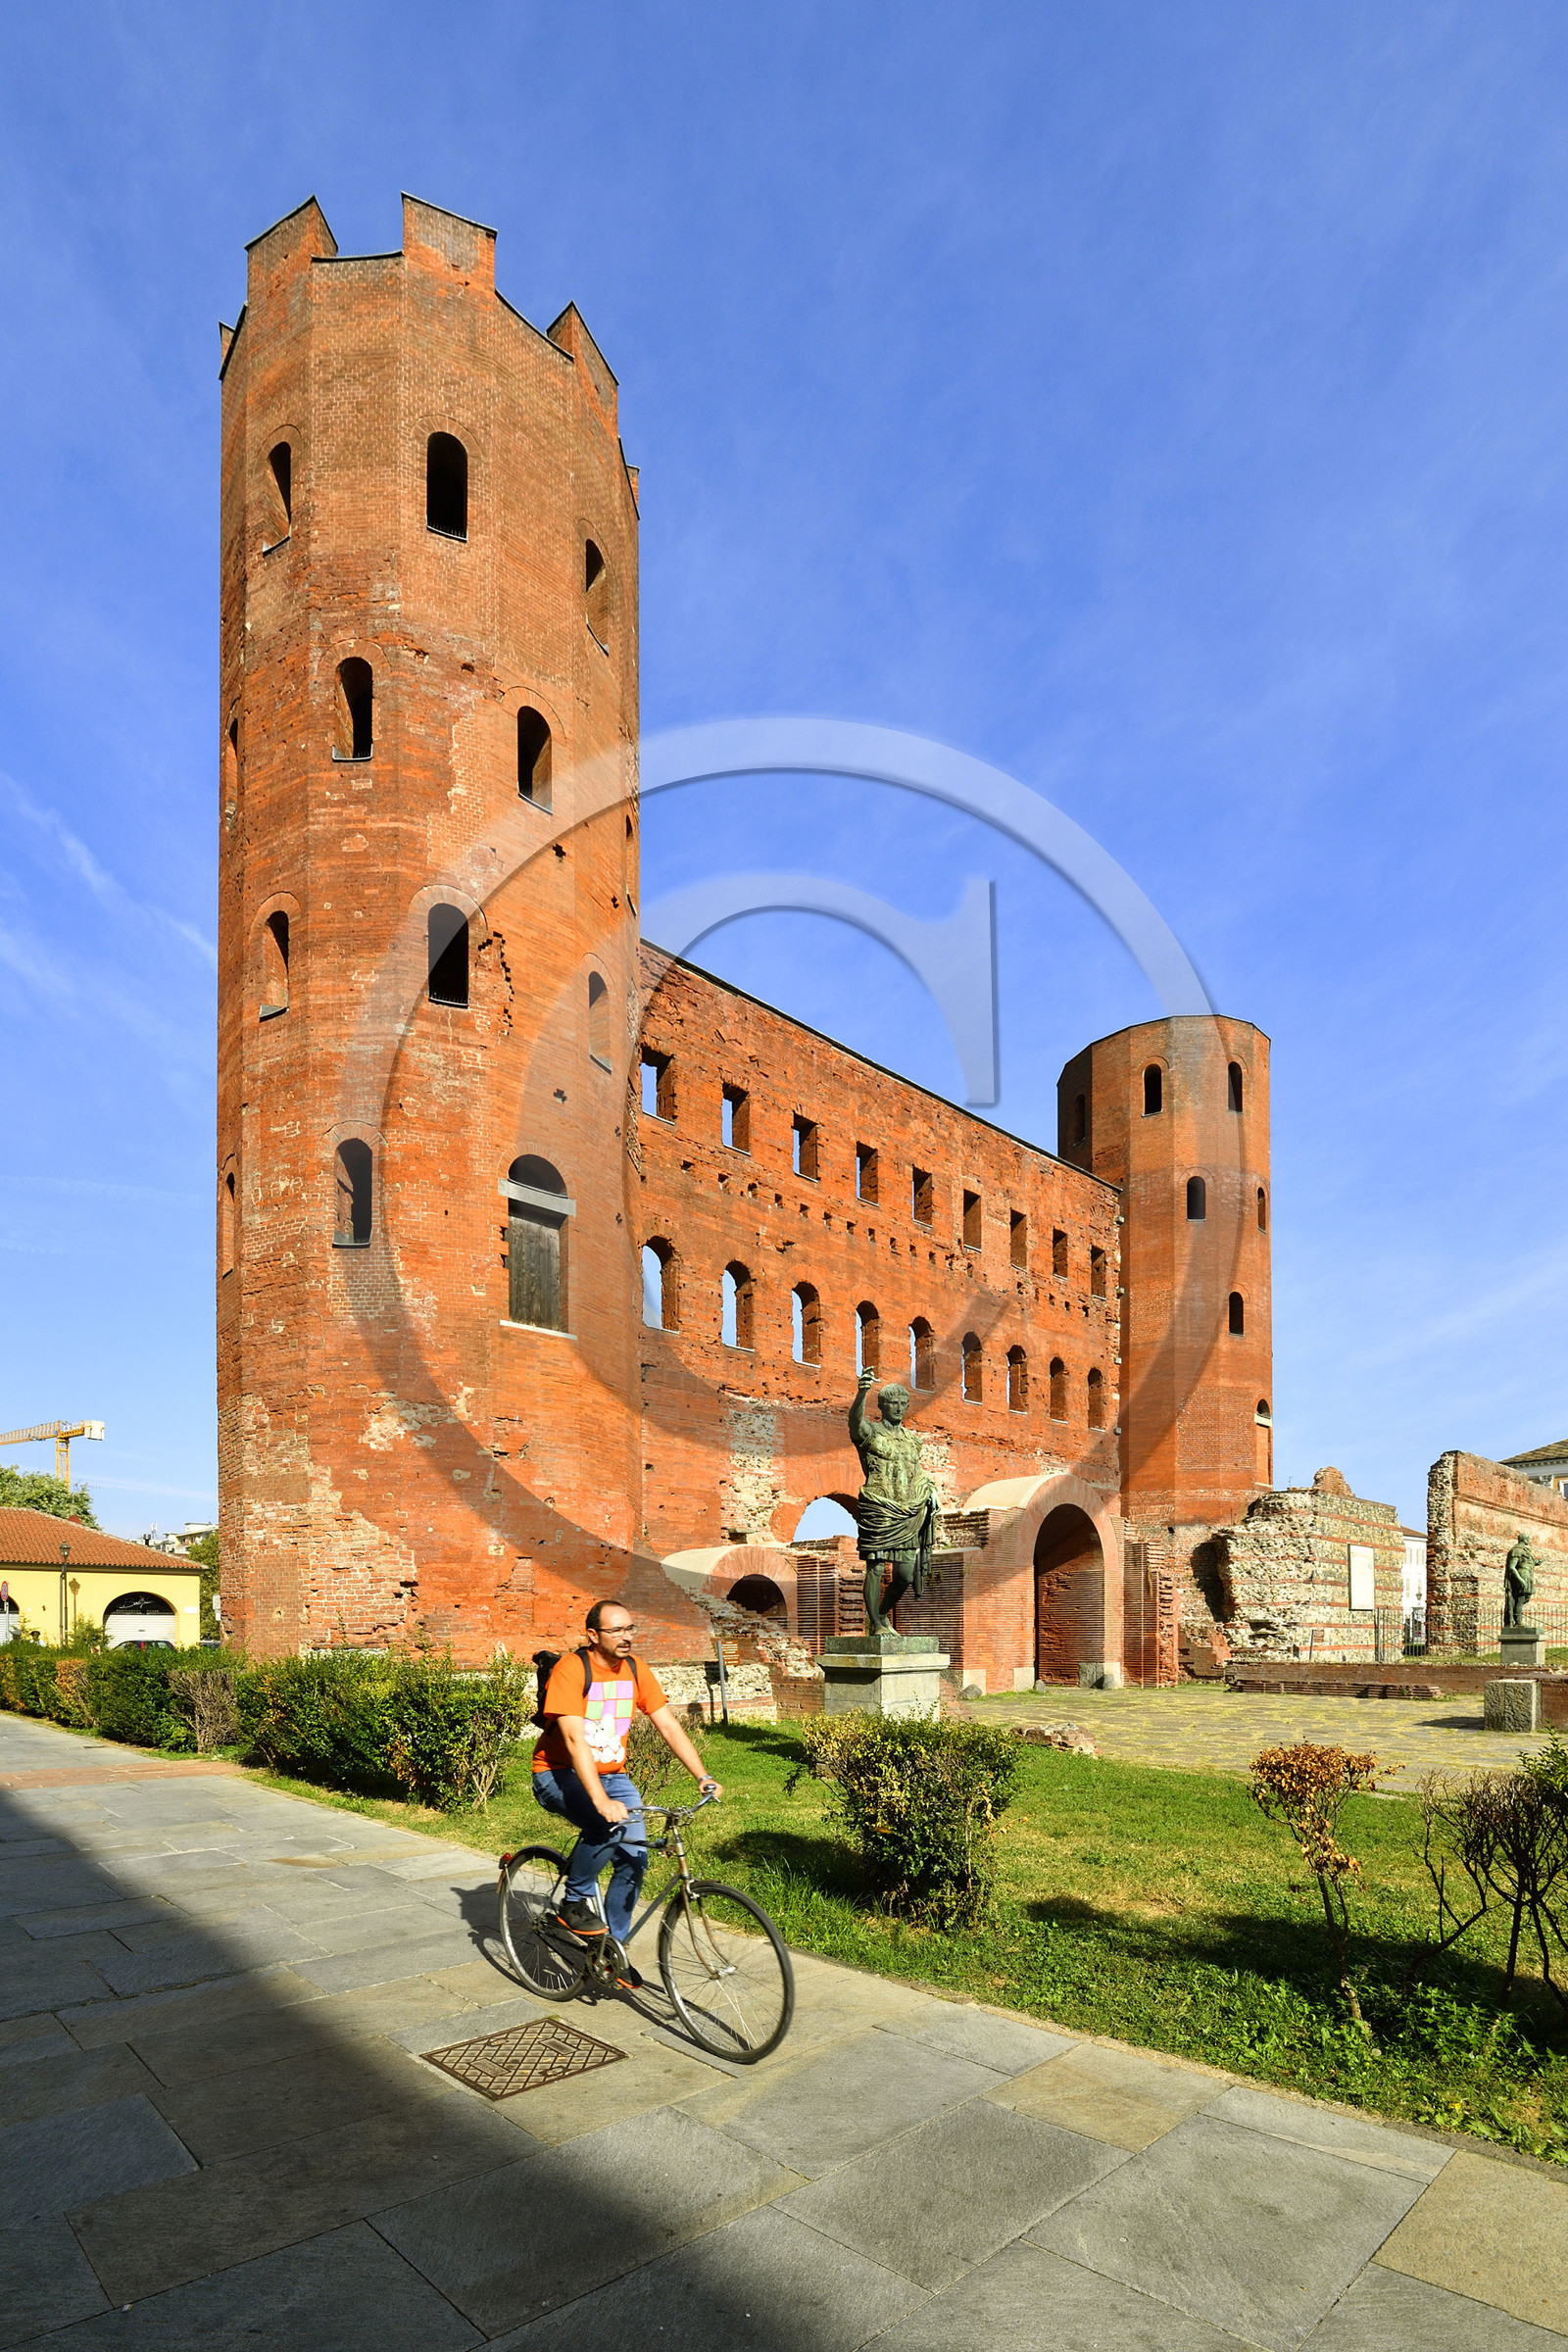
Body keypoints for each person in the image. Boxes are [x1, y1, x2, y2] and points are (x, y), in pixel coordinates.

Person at [532, 1599, 721, 1988]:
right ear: (593, 1635)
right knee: (605, 1825)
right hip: (557, 1772)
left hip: (614, 1775)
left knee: (636, 1857)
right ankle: (574, 1899)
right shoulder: (572, 1669)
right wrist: (600, 1800)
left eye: (630, 1629)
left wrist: (701, 1774)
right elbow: (572, 1737)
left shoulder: (635, 1669)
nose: (627, 1637)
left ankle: (610, 1952)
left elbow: (667, 1726)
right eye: (616, 1630)